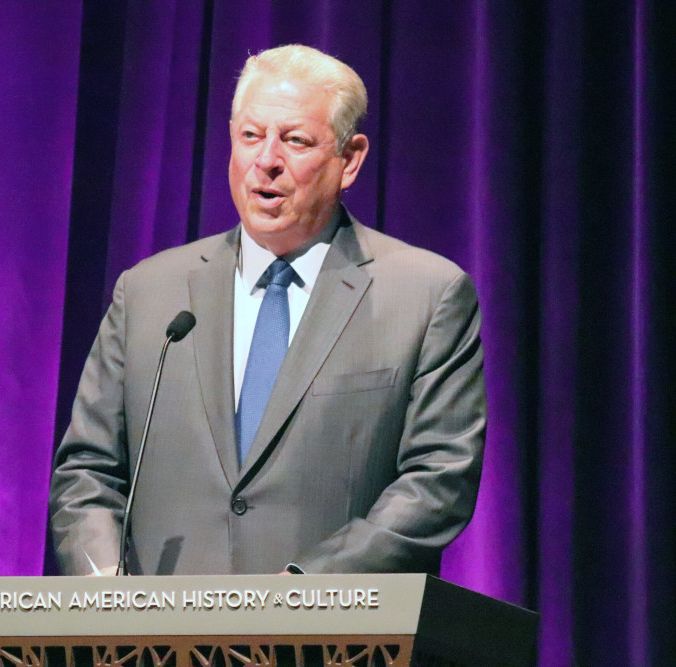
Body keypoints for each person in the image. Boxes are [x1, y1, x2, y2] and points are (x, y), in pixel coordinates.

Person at [48, 44, 485, 576]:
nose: (267, 161)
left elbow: (439, 478)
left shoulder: (426, 294)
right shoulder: (148, 293)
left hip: (335, 641)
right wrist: (103, 588)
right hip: (158, 647)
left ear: (349, 160)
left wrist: (304, 592)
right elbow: (87, 471)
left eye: (296, 140)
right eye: (250, 136)